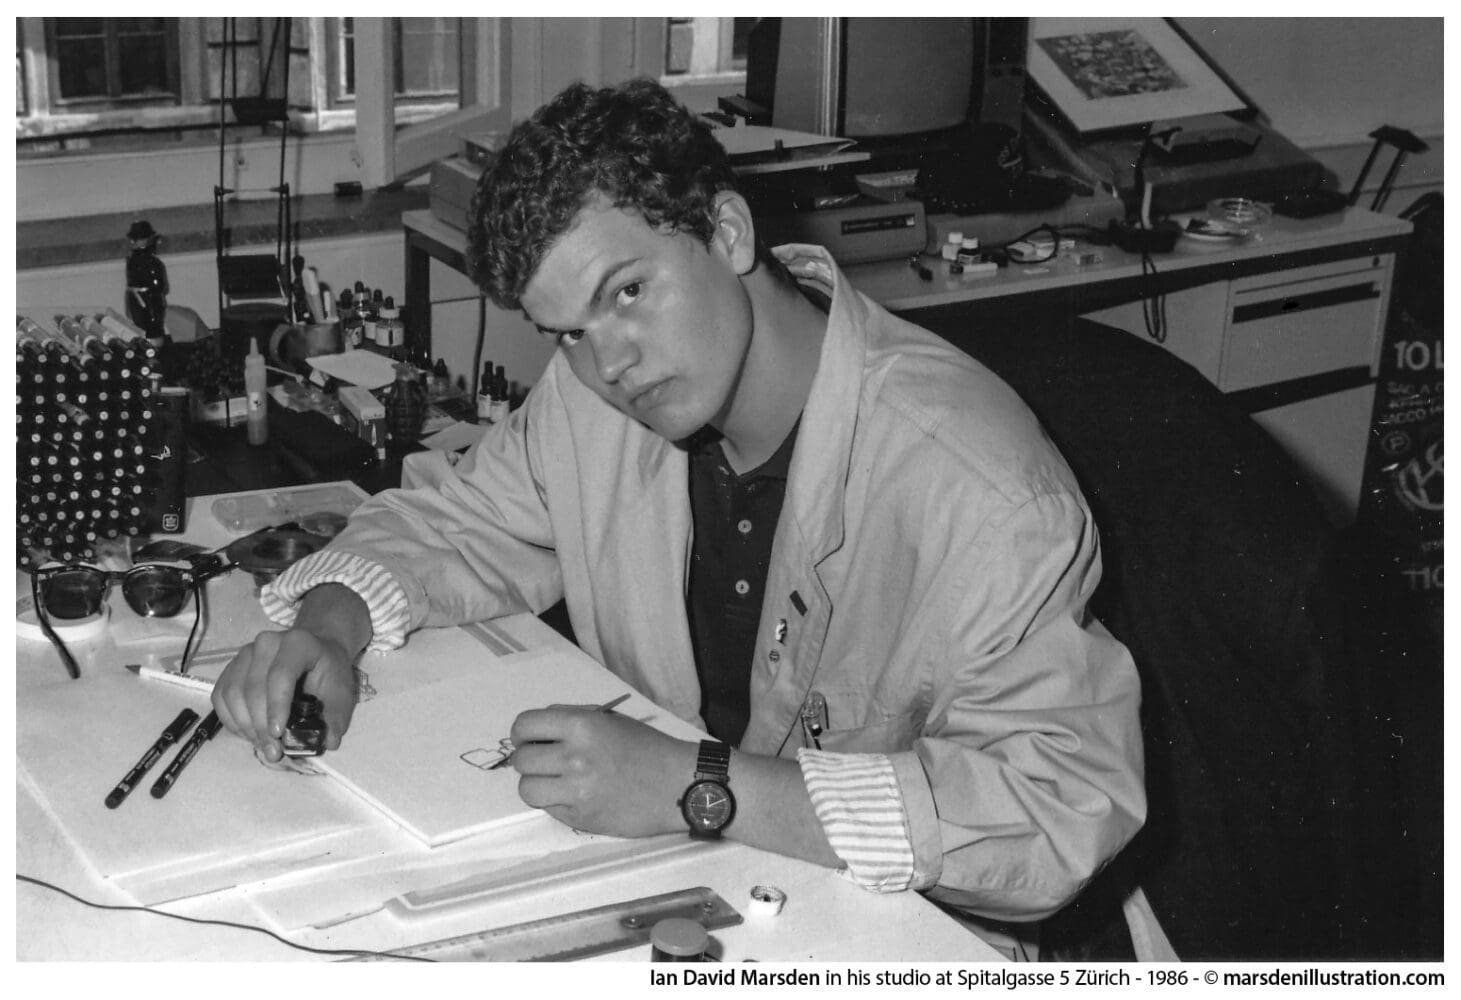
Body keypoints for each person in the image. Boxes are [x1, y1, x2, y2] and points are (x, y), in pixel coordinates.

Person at [212, 78, 1144, 945]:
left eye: (628, 291)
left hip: (902, 934)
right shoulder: (599, 401)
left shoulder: (976, 484)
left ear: (728, 232)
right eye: (568, 332)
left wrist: (697, 788)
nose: (607, 363)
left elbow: (1056, 812)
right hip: (696, 890)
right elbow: (456, 522)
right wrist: (330, 631)